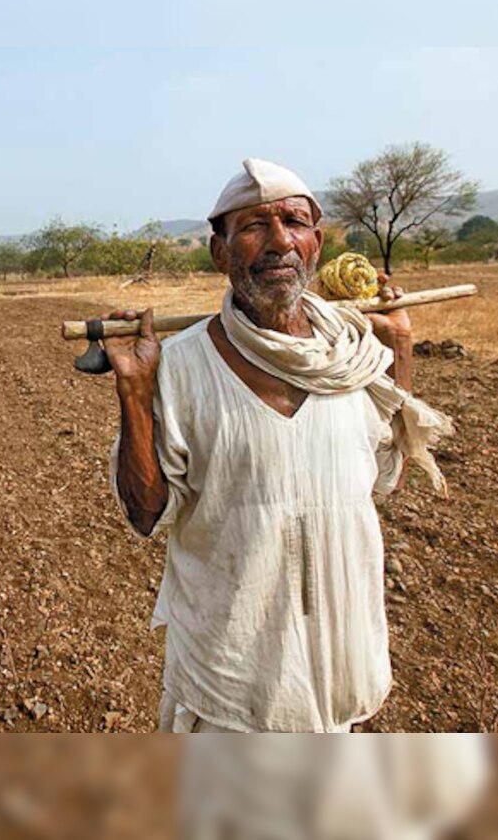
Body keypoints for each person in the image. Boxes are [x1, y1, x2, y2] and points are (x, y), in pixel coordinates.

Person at [103, 158, 453, 733]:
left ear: (316, 243)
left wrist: (401, 348)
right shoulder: (183, 366)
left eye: (293, 223)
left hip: (336, 664)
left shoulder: (353, 353)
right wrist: (135, 392)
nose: (278, 242)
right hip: (230, 681)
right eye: (253, 227)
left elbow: (385, 476)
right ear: (220, 252)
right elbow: (146, 513)